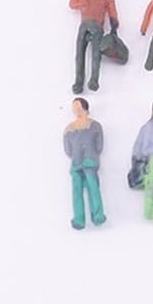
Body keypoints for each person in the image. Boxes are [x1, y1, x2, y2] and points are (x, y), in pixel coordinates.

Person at [69, 0, 119, 94]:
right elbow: (72, 3)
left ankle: (94, 80)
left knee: (96, 53)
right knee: (79, 54)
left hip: (97, 26)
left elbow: (112, 12)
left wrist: (114, 27)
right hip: (84, 24)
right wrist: (81, 4)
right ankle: (78, 82)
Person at [63, 97, 106, 230]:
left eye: (78, 106)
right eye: (74, 106)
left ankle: (98, 215)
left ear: (85, 108)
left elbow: (99, 145)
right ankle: (79, 219)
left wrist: (93, 154)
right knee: (76, 191)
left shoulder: (95, 125)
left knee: (93, 187)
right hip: (76, 162)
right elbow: (68, 149)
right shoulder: (69, 128)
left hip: (90, 160)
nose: (76, 109)